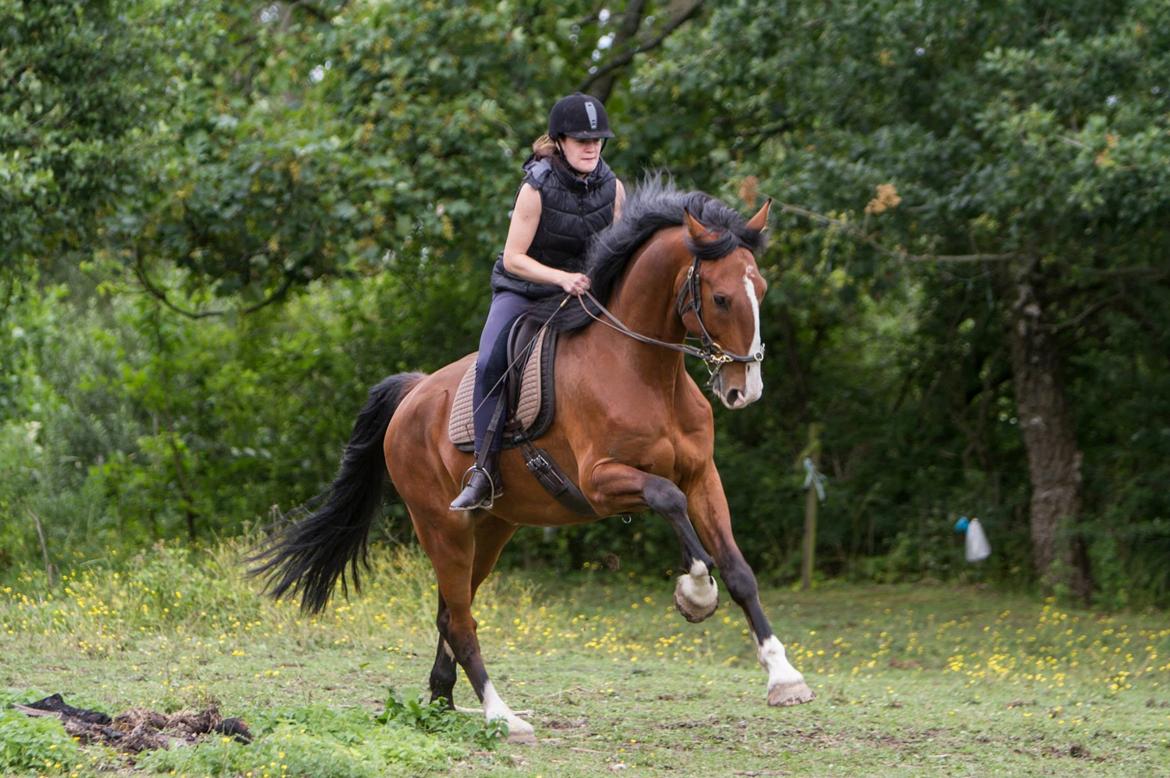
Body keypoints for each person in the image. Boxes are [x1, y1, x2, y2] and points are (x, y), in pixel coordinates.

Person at [450, 93, 626, 511]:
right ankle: (483, 472)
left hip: (584, 291)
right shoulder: (536, 186)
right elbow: (514, 258)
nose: (591, 147)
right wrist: (561, 278)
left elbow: (619, 251)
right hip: (524, 290)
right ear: (560, 141)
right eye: (581, 139)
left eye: (597, 140)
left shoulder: (613, 187)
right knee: (492, 361)